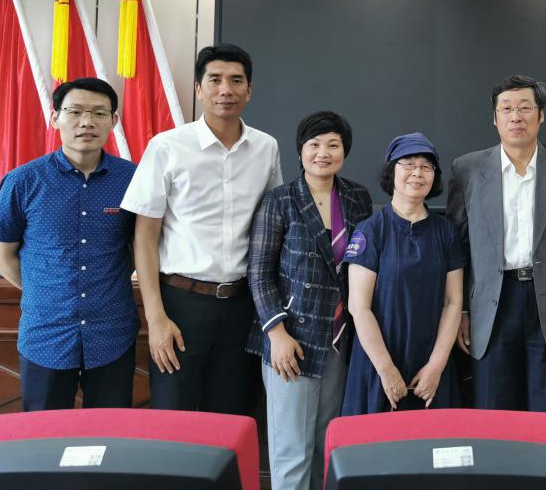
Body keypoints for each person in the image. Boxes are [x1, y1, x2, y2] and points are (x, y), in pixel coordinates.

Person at [122, 43, 282, 413]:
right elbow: (144, 236)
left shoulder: (266, 148)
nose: (226, 89)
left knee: (231, 413)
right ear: (199, 89)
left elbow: (272, 224)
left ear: (249, 90)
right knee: (174, 415)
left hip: (242, 304)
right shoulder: (167, 147)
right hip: (181, 303)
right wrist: (156, 318)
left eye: (236, 81)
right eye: (215, 80)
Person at [447, 75, 546, 413]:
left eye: (525, 108)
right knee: (493, 407)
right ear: (495, 118)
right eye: (507, 109)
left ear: (541, 115)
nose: (516, 117)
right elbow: (458, 246)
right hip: (491, 303)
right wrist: (462, 310)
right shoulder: (468, 169)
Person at [0, 77, 139, 411]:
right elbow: (0, 257)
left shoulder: (133, 179)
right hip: (46, 332)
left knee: (108, 432)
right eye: (76, 111)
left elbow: (140, 247)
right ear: (55, 118)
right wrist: (47, 291)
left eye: (99, 113)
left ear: (113, 121)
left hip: (111, 330)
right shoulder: (23, 180)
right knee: (44, 433)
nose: (87, 121)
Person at [247, 111, 372, 490]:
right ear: (300, 150)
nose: (323, 153)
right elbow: (259, 273)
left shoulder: (357, 198)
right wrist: (277, 334)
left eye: (333, 145)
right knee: (291, 451)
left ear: (345, 152)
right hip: (292, 340)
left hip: (340, 339)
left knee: (326, 444)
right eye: (314, 144)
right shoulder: (280, 200)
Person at [341, 133, 465, 414]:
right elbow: (358, 307)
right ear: (391, 171)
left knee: (434, 439)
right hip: (378, 360)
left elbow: (453, 302)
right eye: (408, 163)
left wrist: (436, 366)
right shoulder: (370, 230)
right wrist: (386, 370)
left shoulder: (446, 232)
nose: (417, 173)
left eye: (426, 166)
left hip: (432, 359)